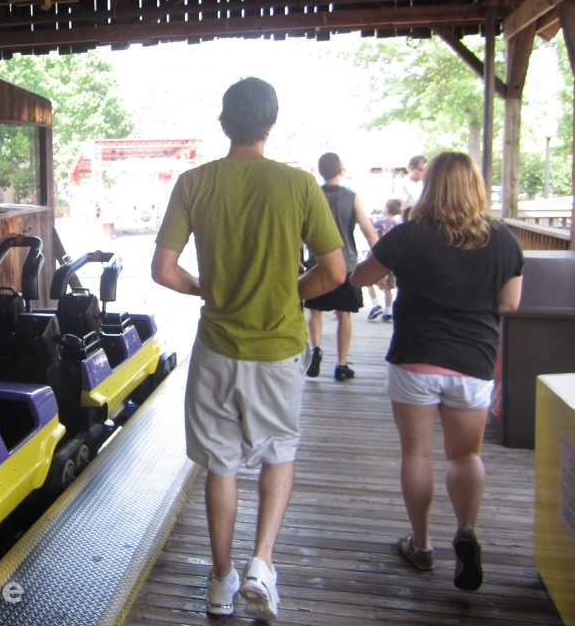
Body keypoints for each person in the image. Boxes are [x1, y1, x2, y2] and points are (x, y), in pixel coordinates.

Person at [151, 78, 346, 618]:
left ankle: (220, 582)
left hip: (216, 347)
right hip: (280, 349)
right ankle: (261, 563)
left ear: (225, 121)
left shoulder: (194, 182)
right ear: (270, 123)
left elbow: (163, 270)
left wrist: (205, 289)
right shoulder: (299, 184)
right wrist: (290, 291)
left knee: (220, 464)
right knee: (278, 452)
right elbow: (335, 272)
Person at [350, 152, 523, 592]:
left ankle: (422, 544)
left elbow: (359, 278)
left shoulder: (408, 235)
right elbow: (510, 302)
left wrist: (392, 272)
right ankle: (465, 530)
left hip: (416, 356)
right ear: (475, 187)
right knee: (465, 456)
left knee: (417, 455)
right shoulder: (503, 240)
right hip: (472, 362)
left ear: (431, 187)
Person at [304, 153, 379, 382]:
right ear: (340, 170)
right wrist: (381, 262)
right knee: (343, 314)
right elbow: (369, 231)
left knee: (315, 310)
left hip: (316, 264)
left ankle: (316, 348)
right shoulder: (351, 197)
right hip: (345, 265)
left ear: (320, 171)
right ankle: (341, 364)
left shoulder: (311, 196)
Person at [366, 198, 403, 322]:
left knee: (368, 281)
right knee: (389, 286)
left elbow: (374, 238)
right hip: (393, 257)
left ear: (386, 209)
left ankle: (375, 304)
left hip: (378, 255)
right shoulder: (399, 225)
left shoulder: (379, 223)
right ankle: (388, 311)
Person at [395, 155, 427, 220]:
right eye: (421, 170)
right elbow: (400, 207)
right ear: (412, 168)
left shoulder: (425, 183)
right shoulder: (403, 183)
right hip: (407, 219)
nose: (424, 173)